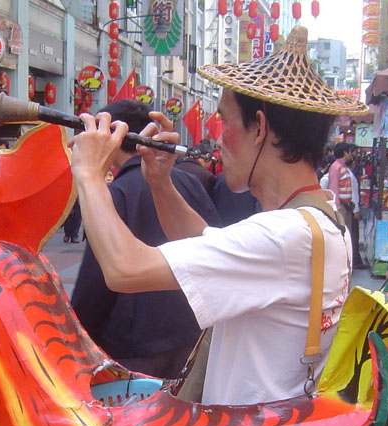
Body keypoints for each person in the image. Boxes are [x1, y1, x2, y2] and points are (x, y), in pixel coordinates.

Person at [69, 26, 356, 405]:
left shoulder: (284, 236)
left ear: (260, 129)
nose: (218, 138)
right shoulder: (322, 217)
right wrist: (160, 182)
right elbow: (204, 241)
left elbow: (124, 269)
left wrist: (89, 175)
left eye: (224, 121)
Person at [71, 100, 220, 379]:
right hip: (191, 331)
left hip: (134, 342)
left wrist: (76, 333)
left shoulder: (114, 193)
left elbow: (97, 281)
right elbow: (213, 244)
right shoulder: (188, 181)